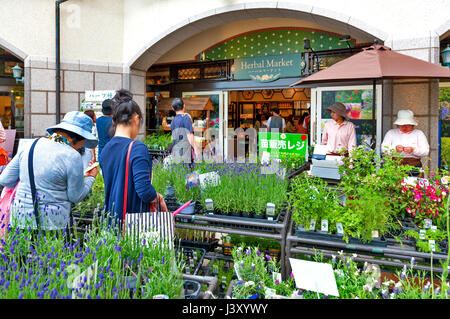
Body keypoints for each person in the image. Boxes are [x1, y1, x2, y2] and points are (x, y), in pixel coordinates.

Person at [0, 111, 99, 232]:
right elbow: (75, 196)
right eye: (83, 143)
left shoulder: (31, 145)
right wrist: (91, 177)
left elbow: (5, 179)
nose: (81, 147)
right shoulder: (72, 155)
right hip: (54, 224)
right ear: (77, 139)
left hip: (20, 220)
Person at [99, 89, 167, 227]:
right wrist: (159, 198)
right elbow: (144, 190)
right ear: (136, 118)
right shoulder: (137, 148)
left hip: (111, 222)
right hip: (132, 225)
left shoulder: (106, 149)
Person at [170, 97, 198, 162]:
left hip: (176, 151)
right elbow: (190, 136)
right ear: (184, 106)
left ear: (173, 108)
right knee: (187, 170)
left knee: (178, 171)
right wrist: (196, 150)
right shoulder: (186, 118)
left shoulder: (173, 121)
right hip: (185, 152)